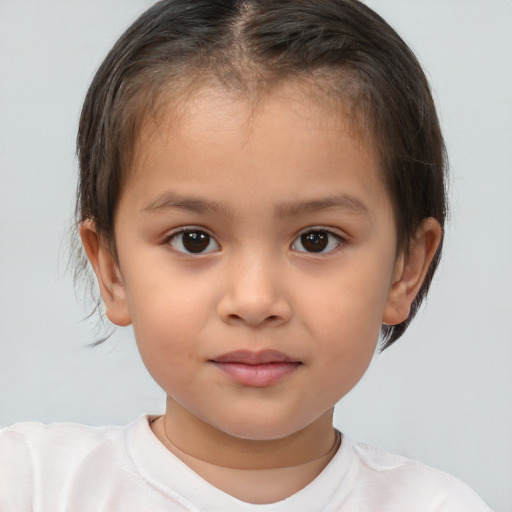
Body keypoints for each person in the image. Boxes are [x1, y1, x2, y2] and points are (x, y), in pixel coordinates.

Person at [0, 0, 492, 510]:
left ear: (405, 270)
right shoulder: (28, 485)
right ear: (112, 269)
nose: (255, 301)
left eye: (316, 240)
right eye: (193, 240)